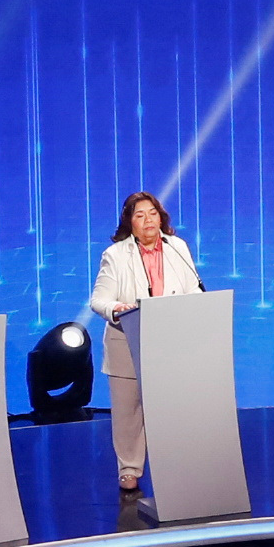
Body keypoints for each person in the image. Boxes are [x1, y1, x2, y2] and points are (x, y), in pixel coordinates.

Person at [84, 192, 204, 495]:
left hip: (170, 340)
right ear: (130, 222)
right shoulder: (115, 255)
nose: (148, 220)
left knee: (173, 408)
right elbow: (99, 300)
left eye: (153, 213)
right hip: (127, 339)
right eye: (140, 215)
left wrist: (197, 305)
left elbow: (193, 288)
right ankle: (129, 468)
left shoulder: (177, 247)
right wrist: (117, 309)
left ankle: (176, 464)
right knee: (128, 412)